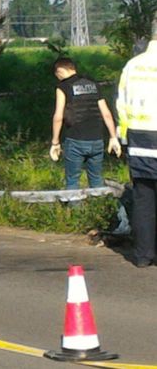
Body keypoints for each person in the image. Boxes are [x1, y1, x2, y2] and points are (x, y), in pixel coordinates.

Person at [117, 20, 157, 267]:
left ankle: (143, 255)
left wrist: (124, 140)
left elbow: (121, 103)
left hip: (139, 139)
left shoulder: (133, 66)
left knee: (143, 198)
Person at [49, 57, 121, 190]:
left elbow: (58, 116)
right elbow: (106, 113)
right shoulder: (93, 84)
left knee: (72, 181)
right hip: (97, 140)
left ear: (59, 71)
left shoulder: (63, 87)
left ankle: (75, 210)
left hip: (75, 140)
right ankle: (98, 207)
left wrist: (55, 142)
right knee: (96, 180)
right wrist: (113, 137)